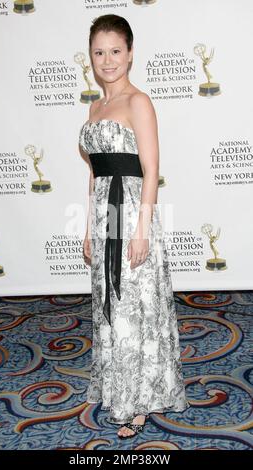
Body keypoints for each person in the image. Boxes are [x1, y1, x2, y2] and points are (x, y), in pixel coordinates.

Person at [79, 14, 189, 439]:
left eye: (115, 51)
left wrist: (141, 227)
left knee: (136, 306)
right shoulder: (95, 106)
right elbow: (94, 173)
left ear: (130, 54)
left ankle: (140, 399)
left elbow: (151, 167)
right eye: (99, 52)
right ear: (91, 56)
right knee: (112, 304)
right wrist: (89, 226)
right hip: (104, 214)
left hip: (131, 213)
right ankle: (117, 384)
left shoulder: (138, 101)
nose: (108, 60)